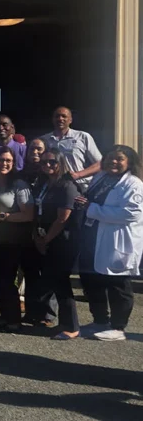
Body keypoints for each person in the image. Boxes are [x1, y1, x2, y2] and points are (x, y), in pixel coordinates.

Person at [75, 145, 143, 341]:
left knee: (117, 284)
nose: (114, 162)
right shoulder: (101, 177)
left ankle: (118, 327)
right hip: (92, 237)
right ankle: (100, 320)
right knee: (92, 280)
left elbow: (131, 213)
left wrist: (92, 208)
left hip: (115, 239)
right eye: (110, 158)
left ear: (128, 162)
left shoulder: (134, 184)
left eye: (119, 159)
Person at [33, 148, 81, 340]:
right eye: (44, 162)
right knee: (53, 281)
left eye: (52, 162)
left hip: (62, 240)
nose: (47, 165)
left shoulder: (67, 185)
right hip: (46, 238)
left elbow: (63, 218)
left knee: (61, 283)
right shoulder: (44, 184)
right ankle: (63, 322)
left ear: (60, 162)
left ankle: (72, 326)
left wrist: (46, 239)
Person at [0, 147, 33, 332]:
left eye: (8, 161)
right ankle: (5, 317)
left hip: (12, 241)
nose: (4, 164)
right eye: (0, 160)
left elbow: (28, 214)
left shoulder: (19, 184)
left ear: (13, 163)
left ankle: (13, 319)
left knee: (7, 280)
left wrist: (0, 216)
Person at [18, 138, 57, 326]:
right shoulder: (22, 174)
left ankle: (48, 314)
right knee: (31, 272)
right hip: (27, 230)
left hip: (47, 230)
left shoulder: (50, 176)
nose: (35, 152)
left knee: (48, 273)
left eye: (39, 149)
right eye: (32, 148)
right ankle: (33, 312)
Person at [40, 106, 102, 191]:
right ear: (53, 119)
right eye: (57, 116)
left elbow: (100, 163)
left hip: (79, 186)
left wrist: (78, 174)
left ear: (70, 120)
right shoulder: (44, 140)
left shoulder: (83, 137)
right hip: (52, 187)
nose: (60, 118)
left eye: (64, 116)